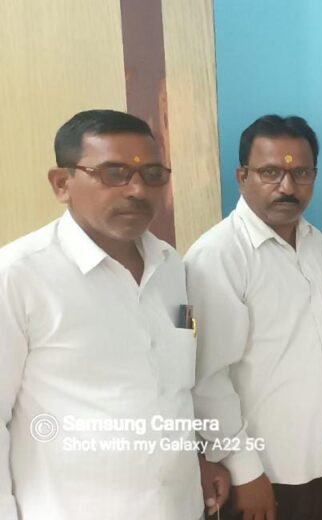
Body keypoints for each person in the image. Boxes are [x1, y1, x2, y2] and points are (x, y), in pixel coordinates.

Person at [0, 110, 227, 519]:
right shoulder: (18, 276)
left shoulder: (171, 266)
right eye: (114, 174)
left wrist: (200, 456)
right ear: (62, 183)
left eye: (153, 175)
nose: (138, 190)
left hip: (179, 505)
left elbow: (174, 385)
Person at [185, 115, 322, 519]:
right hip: (266, 473)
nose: (287, 187)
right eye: (270, 173)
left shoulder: (316, 244)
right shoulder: (218, 256)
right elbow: (206, 378)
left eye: (301, 173)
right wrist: (245, 470)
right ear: (242, 176)